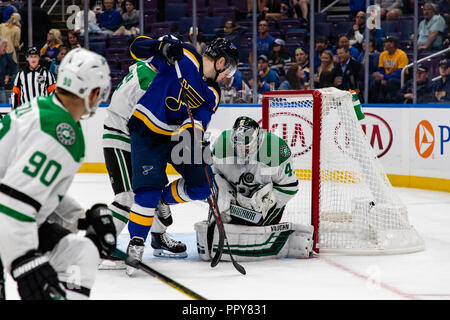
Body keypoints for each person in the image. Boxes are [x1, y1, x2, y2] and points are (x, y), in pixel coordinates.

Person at [0, 48, 115, 300]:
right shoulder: (60, 132)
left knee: (80, 252)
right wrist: (24, 261)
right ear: (93, 92)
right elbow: (13, 200)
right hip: (6, 222)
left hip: (7, 221)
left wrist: (81, 219)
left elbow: (32, 191)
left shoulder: (44, 109)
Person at [122, 35, 238, 274]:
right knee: (148, 192)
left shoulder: (212, 92)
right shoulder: (182, 55)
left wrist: (193, 136)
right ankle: (136, 244)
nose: (230, 75)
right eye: (230, 68)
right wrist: (159, 46)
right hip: (148, 129)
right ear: (221, 62)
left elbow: (199, 120)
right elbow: (136, 49)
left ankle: (164, 200)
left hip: (177, 138)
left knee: (204, 186)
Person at [195, 116, 313, 262]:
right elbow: (210, 178)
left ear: (257, 140)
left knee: (255, 221)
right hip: (234, 195)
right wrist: (222, 194)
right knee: (219, 198)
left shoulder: (276, 149)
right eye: (237, 146)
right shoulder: (222, 144)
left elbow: (290, 187)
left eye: (246, 147)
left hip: (261, 202)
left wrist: (270, 200)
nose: (241, 151)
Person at [371, 36, 408, 102]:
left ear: (392, 44)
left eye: (386, 42)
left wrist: (384, 77)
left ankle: (394, 101)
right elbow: (381, 69)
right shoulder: (382, 54)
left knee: (391, 81)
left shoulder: (401, 54)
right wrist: (380, 76)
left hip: (400, 78)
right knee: (374, 79)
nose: (384, 44)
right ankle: (375, 101)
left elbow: (400, 72)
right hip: (386, 77)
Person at [0, 37, 15, 104]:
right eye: (4, 47)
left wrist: (7, 75)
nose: (5, 49)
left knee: (3, 107)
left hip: (1, 87)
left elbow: (8, 66)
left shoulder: (5, 56)